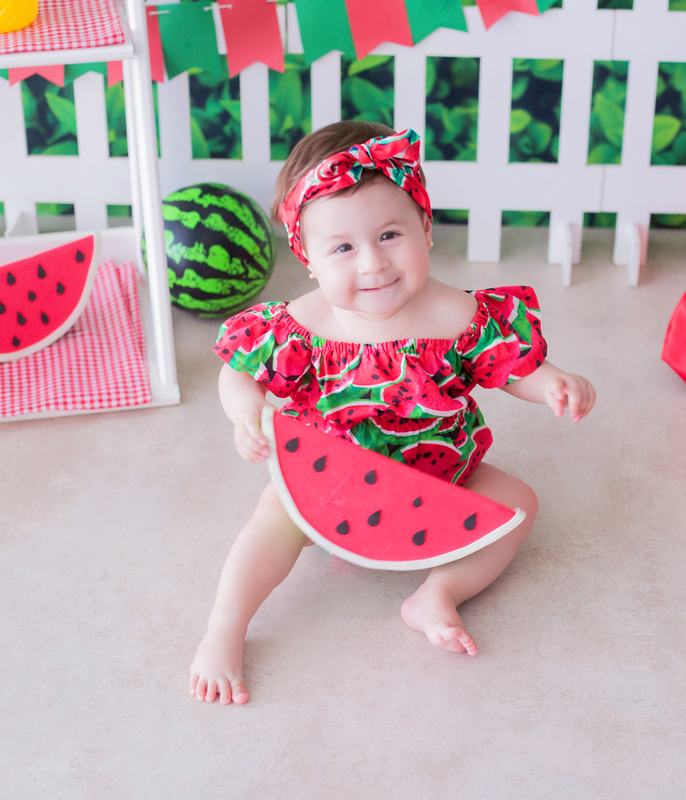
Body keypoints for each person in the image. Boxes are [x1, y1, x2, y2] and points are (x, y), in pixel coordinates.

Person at [190, 121, 596, 705]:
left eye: (389, 235)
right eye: (343, 248)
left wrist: (554, 382)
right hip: (326, 484)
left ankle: (438, 593)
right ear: (309, 260)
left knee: (519, 505)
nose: (373, 264)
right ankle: (225, 627)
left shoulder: (457, 315)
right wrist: (246, 408)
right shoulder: (302, 324)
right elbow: (238, 370)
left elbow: (510, 368)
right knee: (272, 518)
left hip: (446, 476)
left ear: (425, 228)